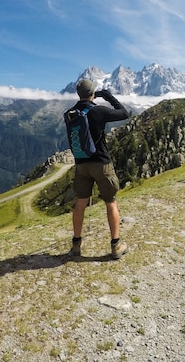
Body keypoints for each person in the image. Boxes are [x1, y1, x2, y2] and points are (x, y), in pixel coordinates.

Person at [68, 79, 129, 259]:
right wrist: (109, 97)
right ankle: (116, 245)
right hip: (101, 163)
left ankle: (76, 245)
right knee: (110, 202)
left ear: (78, 94)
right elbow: (124, 113)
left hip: (81, 164)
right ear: (92, 93)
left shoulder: (70, 114)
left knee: (81, 203)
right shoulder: (99, 111)